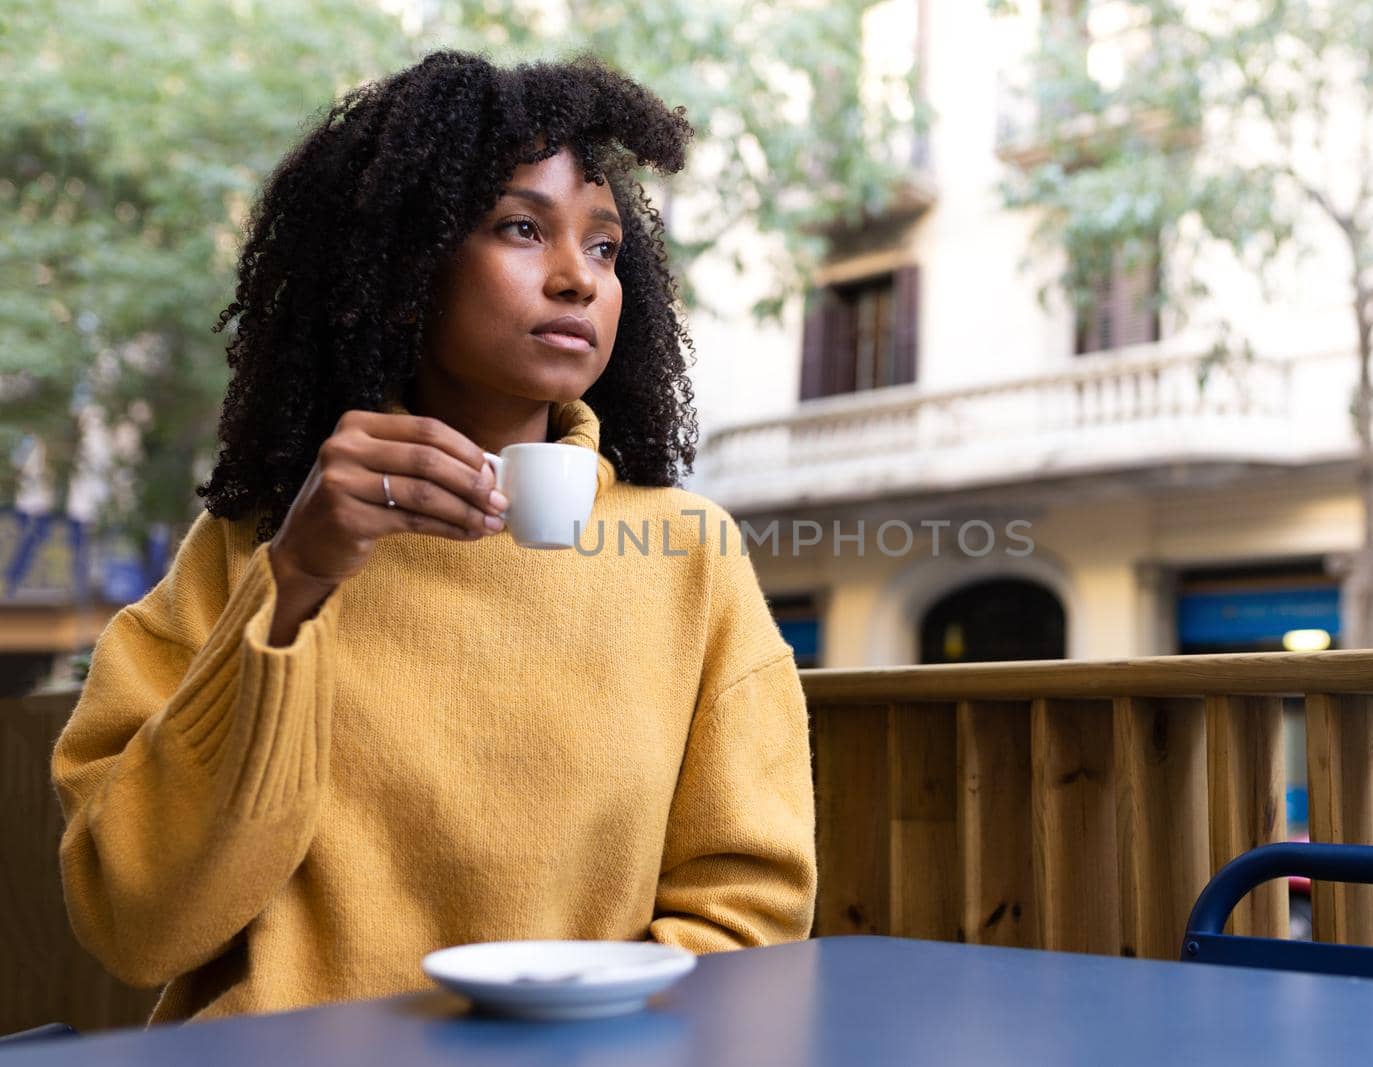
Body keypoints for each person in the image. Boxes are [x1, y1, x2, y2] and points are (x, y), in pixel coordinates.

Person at [50, 50, 816, 1025]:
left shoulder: (689, 554)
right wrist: (296, 582)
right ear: (404, 266)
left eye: (606, 245)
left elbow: (748, 907)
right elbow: (135, 923)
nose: (578, 277)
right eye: (522, 228)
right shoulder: (247, 546)